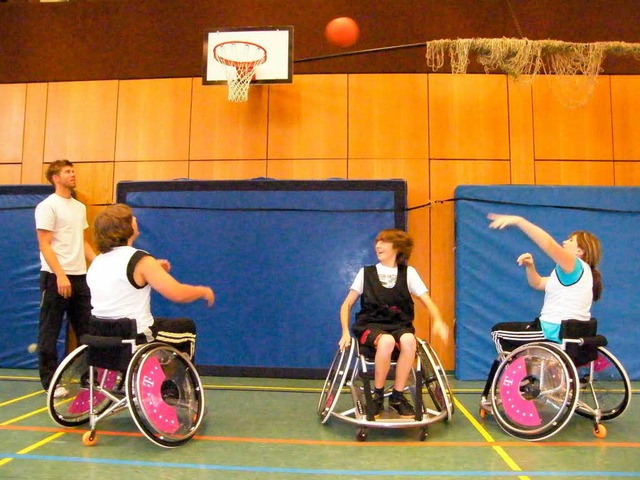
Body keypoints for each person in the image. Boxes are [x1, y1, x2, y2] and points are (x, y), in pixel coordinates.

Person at [479, 213, 603, 412]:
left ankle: (521, 383)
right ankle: (532, 377)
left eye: (570, 241)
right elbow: (537, 283)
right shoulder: (581, 273)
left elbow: (548, 244)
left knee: (498, 332)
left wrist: (520, 221)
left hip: (551, 332)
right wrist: (530, 266)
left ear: (580, 250)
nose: (565, 241)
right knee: (512, 333)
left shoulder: (573, 265)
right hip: (570, 337)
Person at [339, 229, 449, 418]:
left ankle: (397, 397)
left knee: (409, 340)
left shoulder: (409, 273)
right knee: (386, 341)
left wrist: (438, 320)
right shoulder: (366, 273)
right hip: (370, 326)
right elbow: (346, 304)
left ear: (397, 247)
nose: (377, 245)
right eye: (377, 241)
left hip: (399, 326)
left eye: (383, 242)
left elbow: (427, 301)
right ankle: (378, 396)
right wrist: (344, 333)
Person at [86, 204, 214, 360]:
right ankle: (173, 382)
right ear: (124, 228)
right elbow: (178, 294)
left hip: (101, 336)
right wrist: (202, 291)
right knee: (187, 328)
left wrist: (152, 269)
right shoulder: (141, 260)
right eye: (131, 218)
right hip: (135, 337)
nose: (135, 218)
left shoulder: (98, 261)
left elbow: (119, 280)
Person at [35, 159, 97, 399]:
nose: (73, 174)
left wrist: (99, 263)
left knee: (86, 331)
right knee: (50, 331)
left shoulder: (79, 207)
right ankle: (50, 381)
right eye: (67, 172)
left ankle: (88, 378)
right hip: (55, 277)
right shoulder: (47, 206)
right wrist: (60, 275)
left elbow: (81, 242)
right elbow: (44, 244)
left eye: (73, 171)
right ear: (55, 177)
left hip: (79, 277)